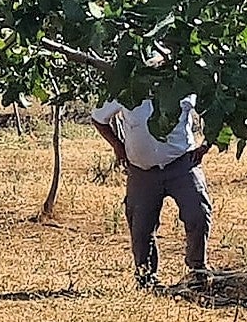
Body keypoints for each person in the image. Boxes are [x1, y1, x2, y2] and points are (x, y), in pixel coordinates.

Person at [90, 96, 213, 287]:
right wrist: (118, 148)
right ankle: (146, 277)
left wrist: (206, 145)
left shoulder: (182, 85)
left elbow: (213, 112)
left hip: (182, 164)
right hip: (141, 171)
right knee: (141, 226)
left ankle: (197, 271)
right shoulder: (127, 88)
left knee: (198, 212)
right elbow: (98, 118)